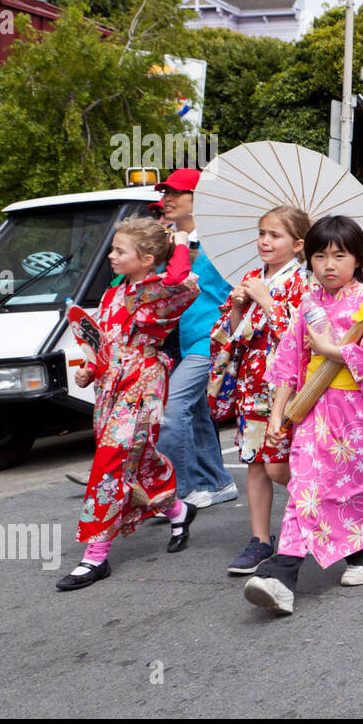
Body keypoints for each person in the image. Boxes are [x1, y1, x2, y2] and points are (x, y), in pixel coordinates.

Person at [244, 216, 363, 615]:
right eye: (320, 256)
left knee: (354, 486)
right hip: (313, 410)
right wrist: (277, 415)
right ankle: (283, 573)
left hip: (358, 414)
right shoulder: (308, 303)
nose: (329, 265)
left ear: (358, 259)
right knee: (306, 485)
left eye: (340, 255)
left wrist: (332, 349)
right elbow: (290, 360)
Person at [57, 218, 201, 590]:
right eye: (114, 248)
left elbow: (180, 275)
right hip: (110, 384)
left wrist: (181, 240)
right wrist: (90, 369)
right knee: (139, 459)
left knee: (111, 462)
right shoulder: (111, 295)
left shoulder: (159, 291)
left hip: (143, 383)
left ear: (147, 259)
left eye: (121, 251)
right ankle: (177, 509)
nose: (112, 255)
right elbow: (103, 343)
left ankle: (95, 555)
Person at [208, 206, 311, 575]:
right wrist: (238, 309)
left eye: (276, 235)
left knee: (279, 466)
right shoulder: (251, 277)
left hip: (287, 389)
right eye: (262, 233)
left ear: (298, 244)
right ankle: (260, 540)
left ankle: (316, 509)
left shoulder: (304, 283)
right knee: (254, 463)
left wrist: (267, 302)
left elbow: (302, 340)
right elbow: (227, 338)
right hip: (252, 386)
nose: (265, 241)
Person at [155, 168, 238, 509]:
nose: (167, 199)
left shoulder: (220, 243)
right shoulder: (166, 241)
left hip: (209, 341)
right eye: (165, 193)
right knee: (197, 413)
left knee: (173, 412)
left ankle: (182, 492)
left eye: (176, 193)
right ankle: (218, 482)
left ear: (198, 199)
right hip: (176, 340)